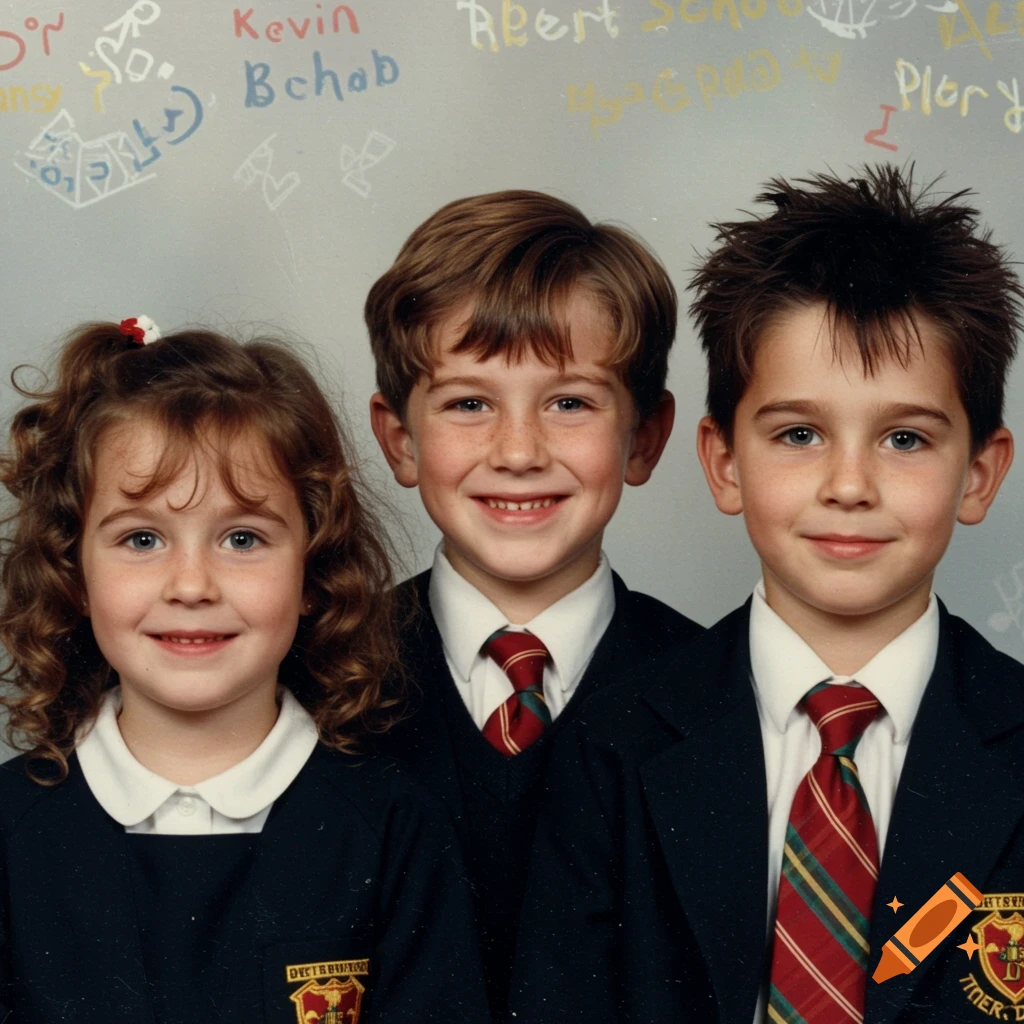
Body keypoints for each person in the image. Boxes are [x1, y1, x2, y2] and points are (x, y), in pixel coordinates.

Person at [511, 165, 1024, 1024]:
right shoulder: (609, 748)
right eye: (799, 434)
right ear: (722, 462)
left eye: (904, 437)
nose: (849, 484)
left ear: (979, 474)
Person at [0, 318, 488, 1024]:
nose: (192, 585)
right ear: (72, 571)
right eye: (142, 538)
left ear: (313, 569)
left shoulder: (392, 829)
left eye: (242, 537)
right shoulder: (14, 833)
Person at [364, 190, 704, 1018]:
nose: (518, 452)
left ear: (646, 438)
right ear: (399, 440)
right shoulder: (320, 674)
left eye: (570, 403)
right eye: (469, 404)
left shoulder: (718, 692)